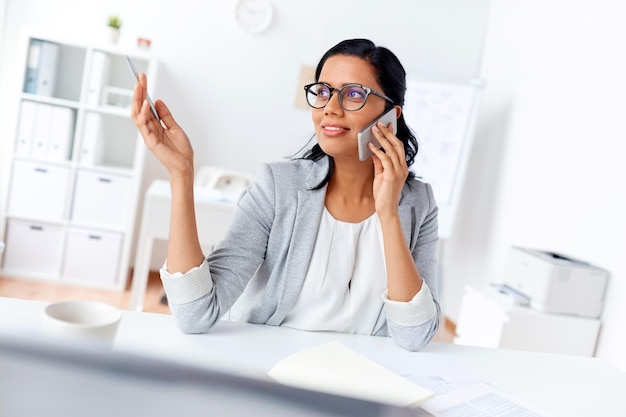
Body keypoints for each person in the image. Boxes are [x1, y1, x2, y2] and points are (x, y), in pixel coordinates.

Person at [131, 38, 440, 351]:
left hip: (359, 383)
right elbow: (194, 315)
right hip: (272, 374)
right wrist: (181, 175)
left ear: (391, 114)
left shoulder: (419, 203)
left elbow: (414, 338)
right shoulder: (277, 188)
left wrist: (388, 213)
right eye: (323, 91)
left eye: (354, 94)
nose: (331, 108)